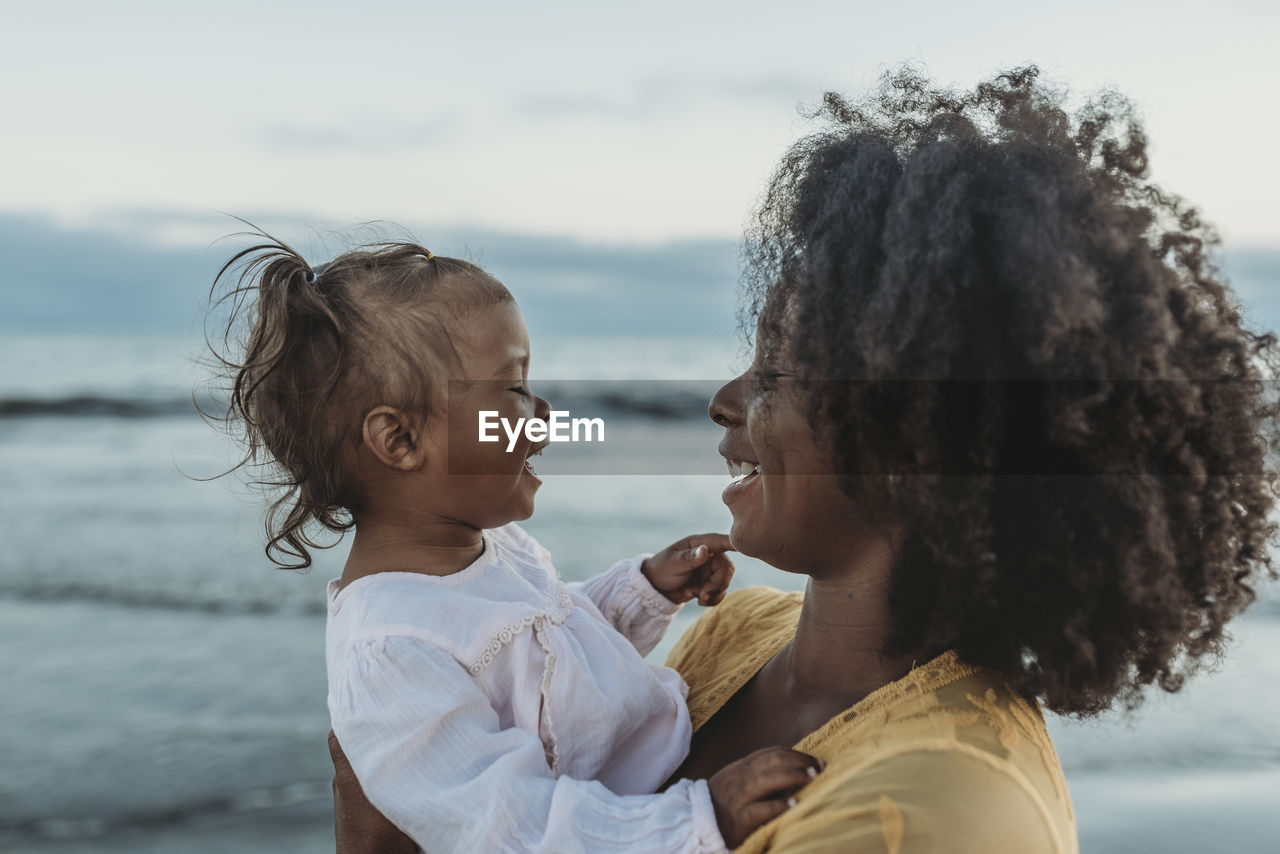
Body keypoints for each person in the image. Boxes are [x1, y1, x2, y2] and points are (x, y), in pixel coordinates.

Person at [330, 66, 1279, 852]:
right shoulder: (733, 635)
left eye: (776, 370)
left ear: (920, 438)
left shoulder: (929, 816)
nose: (725, 401)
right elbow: (543, 669)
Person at [208, 239, 822, 854]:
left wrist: (641, 588)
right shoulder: (392, 650)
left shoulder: (490, 550)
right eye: (513, 390)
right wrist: (696, 819)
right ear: (399, 439)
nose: (544, 411)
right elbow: (507, 824)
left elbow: (547, 661)